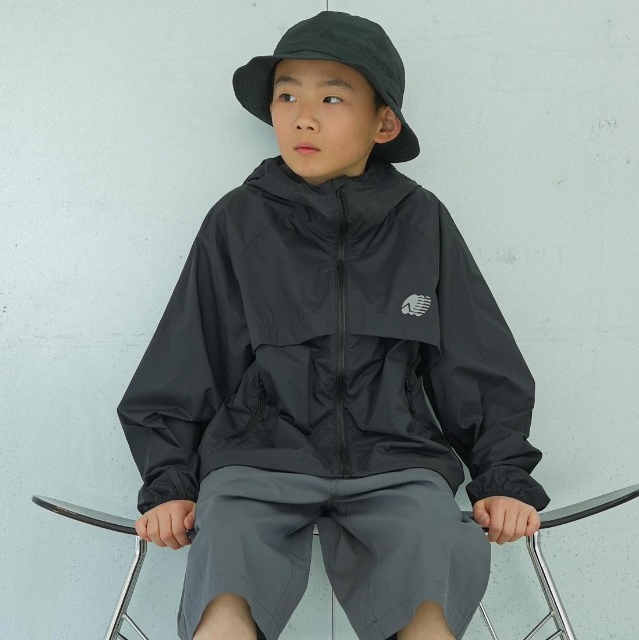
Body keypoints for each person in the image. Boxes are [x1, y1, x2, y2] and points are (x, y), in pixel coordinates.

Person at [117, 10, 550, 640]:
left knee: (429, 574)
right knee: (225, 589)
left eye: (331, 97)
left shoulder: (421, 221)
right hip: (257, 461)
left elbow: (476, 357)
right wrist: (169, 484)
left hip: (398, 461)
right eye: (287, 95)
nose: (303, 117)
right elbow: (188, 358)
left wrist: (502, 477)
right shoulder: (238, 221)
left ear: (383, 123)